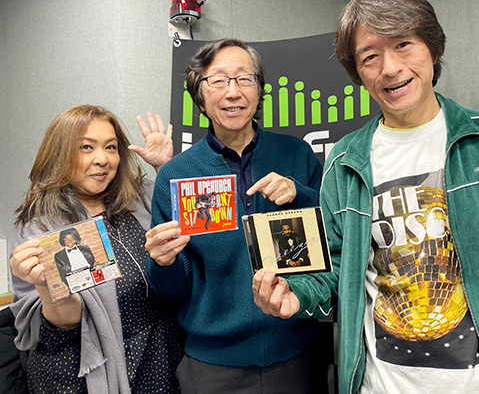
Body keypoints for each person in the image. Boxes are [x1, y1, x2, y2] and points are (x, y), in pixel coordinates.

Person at [253, 0, 479, 394]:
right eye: (370, 56)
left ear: (432, 50)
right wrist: (296, 294)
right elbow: (336, 272)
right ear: (358, 73)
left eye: (403, 44)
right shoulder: (344, 161)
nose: (390, 68)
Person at [144, 38, 327, 394]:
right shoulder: (176, 175)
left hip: (297, 353)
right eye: (218, 80)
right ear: (200, 97)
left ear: (259, 91)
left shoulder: (296, 154)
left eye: (245, 79)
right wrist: (163, 263)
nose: (233, 92)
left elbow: (331, 244)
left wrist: (300, 195)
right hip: (212, 367)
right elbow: (174, 289)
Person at [10, 106, 185, 393]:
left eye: (111, 147)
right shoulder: (39, 228)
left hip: (157, 357)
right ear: (61, 153)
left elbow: (191, 230)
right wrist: (47, 286)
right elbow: (60, 324)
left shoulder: (141, 197)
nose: (102, 159)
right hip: (82, 373)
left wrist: (165, 167)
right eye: (86, 147)